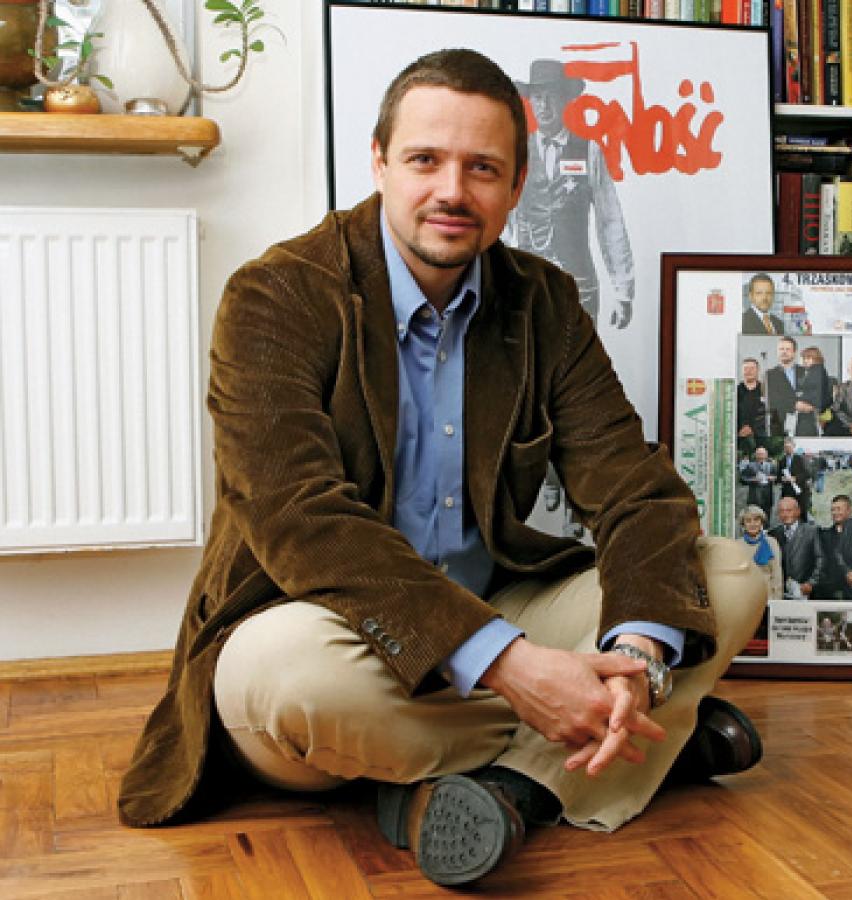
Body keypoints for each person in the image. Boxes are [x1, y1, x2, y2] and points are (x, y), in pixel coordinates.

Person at [116, 49, 768, 889]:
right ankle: (634, 742)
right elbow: (298, 519)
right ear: (380, 162)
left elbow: (636, 490)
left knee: (729, 575)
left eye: (482, 168)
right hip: (326, 623)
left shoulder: (543, 302)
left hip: (493, 604)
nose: (452, 191)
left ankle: (509, 787)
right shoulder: (277, 294)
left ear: (517, 185)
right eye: (425, 160)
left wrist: (638, 659)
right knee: (282, 676)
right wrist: (514, 669)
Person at [507, 59, 635, 329]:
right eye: (538, 98)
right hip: (528, 286)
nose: (544, 106)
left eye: (551, 96)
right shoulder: (517, 154)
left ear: (565, 99)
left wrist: (623, 289)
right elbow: (503, 224)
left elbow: (610, 221)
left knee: (580, 356)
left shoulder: (589, 151)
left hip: (579, 286)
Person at [768, 497, 824, 599]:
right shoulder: (773, 534)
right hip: (780, 593)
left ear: (798, 511)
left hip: (805, 591)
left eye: (789, 510)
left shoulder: (812, 531)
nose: (785, 514)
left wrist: (811, 583)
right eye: (782, 511)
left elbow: (820, 559)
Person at [738, 505, 782, 606]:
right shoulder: (738, 544)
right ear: (743, 524)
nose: (752, 524)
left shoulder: (771, 542)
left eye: (756, 520)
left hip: (767, 597)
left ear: (761, 522)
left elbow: (776, 573)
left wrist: (777, 601)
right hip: (745, 598)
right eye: (748, 521)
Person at [814, 494, 852, 600]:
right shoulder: (823, 535)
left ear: (849, 511)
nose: (835, 513)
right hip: (827, 592)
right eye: (833, 510)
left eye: (839, 509)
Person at [764, 336, 803, 437]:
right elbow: (772, 402)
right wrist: (795, 405)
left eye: (787, 349)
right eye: (781, 349)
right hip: (779, 425)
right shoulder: (769, 375)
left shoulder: (805, 372)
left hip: (804, 424)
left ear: (794, 352)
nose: (784, 352)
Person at [798, 346, 833, 436]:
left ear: (816, 359)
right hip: (821, 410)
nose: (805, 361)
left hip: (816, 410)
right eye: (804, 358)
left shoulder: (815, 371)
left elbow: (813, 391)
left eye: (808, 358)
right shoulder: (819, 370)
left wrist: (798, 399)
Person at [735, 357, 767, 457]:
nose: (748, 371)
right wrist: (739, 430)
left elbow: (770, 414)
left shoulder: (766, 391)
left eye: (752, 368)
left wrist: (752, 428)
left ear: (758, 370)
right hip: (738, 438)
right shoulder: (735, 391)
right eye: (746, 369)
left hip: (761, 438)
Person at [776, 437, 813, 522]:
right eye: (785, 447)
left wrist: (795, 478)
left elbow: (808, 473)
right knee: (789, 514)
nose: (787, 449)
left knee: (802, 513)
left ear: (794, 446)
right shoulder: (782, 461)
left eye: (789, 447)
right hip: (787, 492)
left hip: (800, 491)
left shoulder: (801, 458)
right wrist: (782, 479)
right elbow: (778, 477)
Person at [739, 444, 776, 520]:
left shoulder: (771, 465)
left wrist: (773, 478)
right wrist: (753, 479)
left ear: (766, 455)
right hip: (754, 497)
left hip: (767, 496)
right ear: (756, 455)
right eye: (759, 454)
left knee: (766, 518)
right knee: (755, 518)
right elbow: (742, 479)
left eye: (762, 454)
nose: (761, 455)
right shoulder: (750, 465)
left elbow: (776, 477)